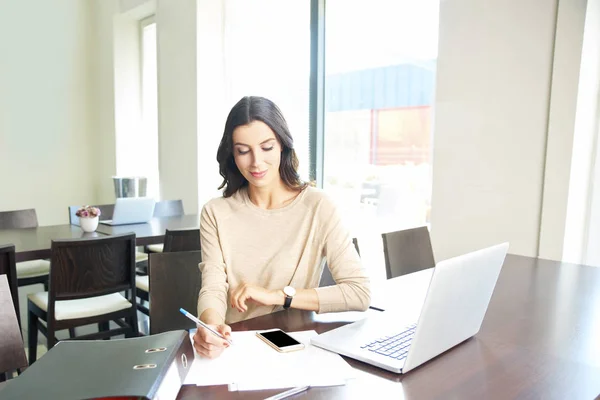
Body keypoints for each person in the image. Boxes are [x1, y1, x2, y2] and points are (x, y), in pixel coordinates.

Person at [193, 96, 371, 358]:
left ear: (282, 146)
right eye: (243, 151)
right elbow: (213, 286)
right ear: (232, 154)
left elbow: (359, 294)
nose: (256, 162)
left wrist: (278, 296)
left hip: (294, 344)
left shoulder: (318, 206)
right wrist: (210, 324)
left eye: (266, 147)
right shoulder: (215, 212)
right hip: (236, 345)